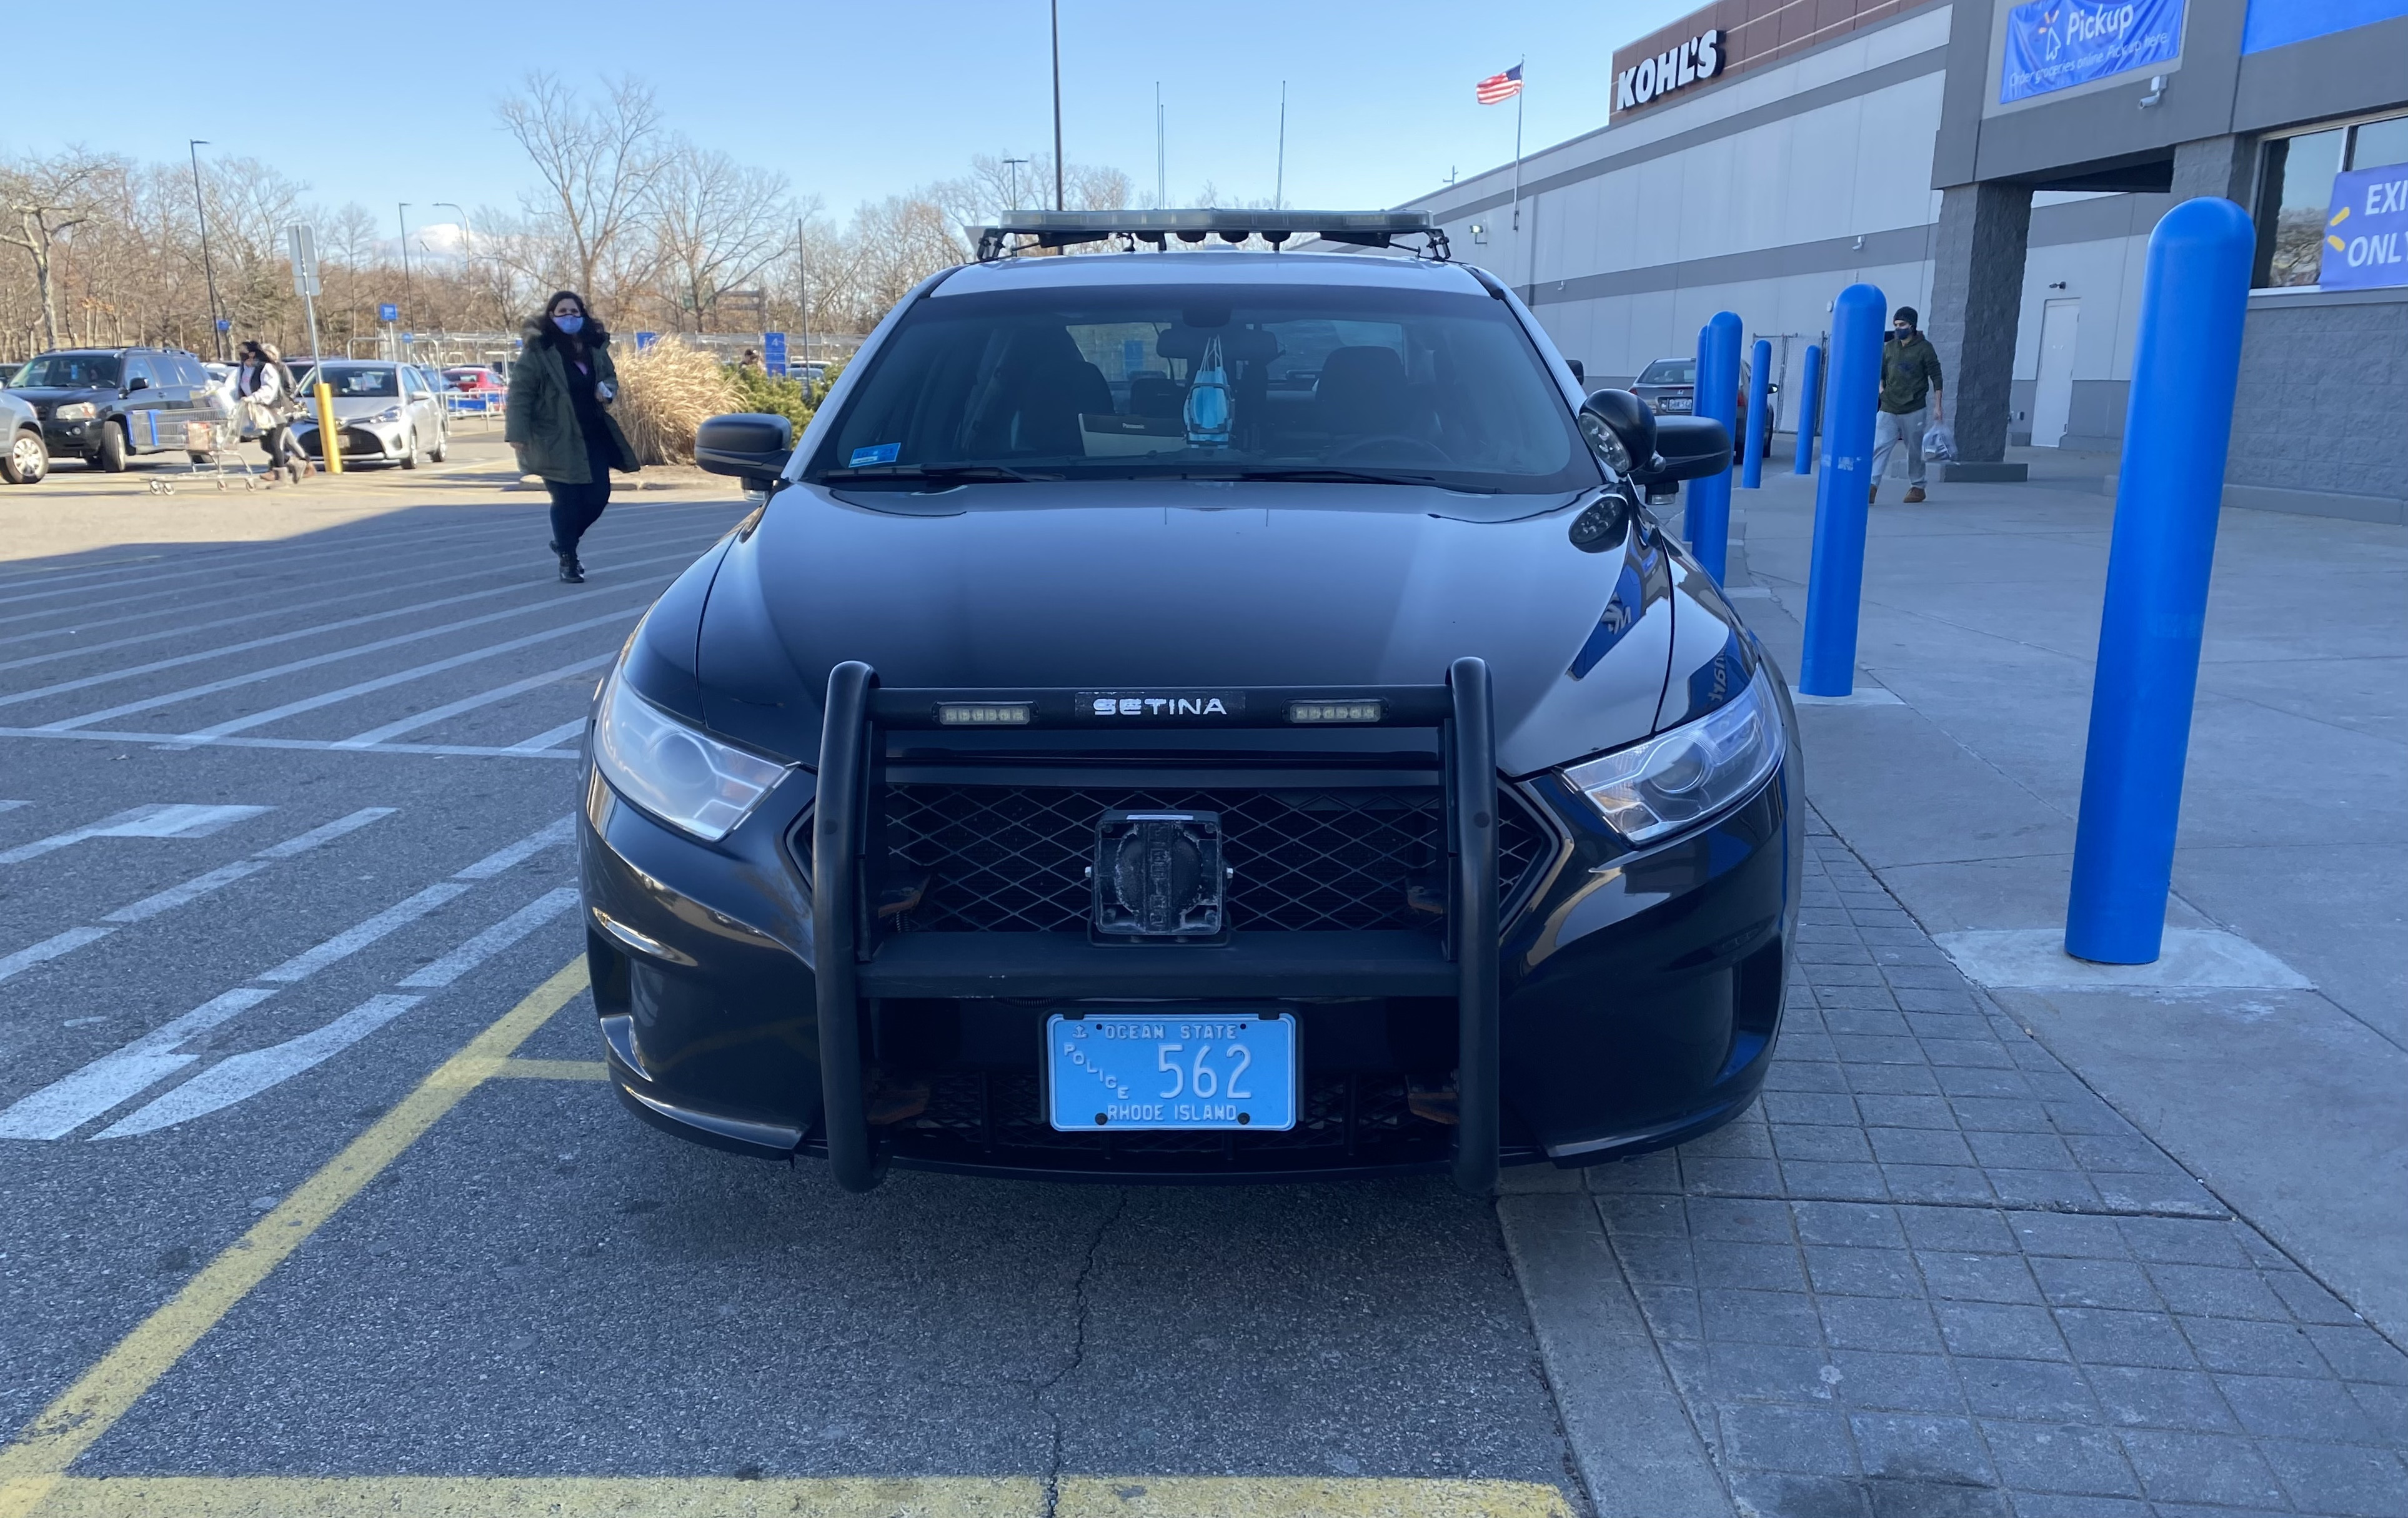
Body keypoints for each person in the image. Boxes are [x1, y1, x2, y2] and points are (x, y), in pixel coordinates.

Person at [505, 290, 639, 583]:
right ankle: (568, 559)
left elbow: (610, 376)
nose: (569, 317)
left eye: (575, 312)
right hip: (554, 437)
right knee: (566, 500)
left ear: (583, 315)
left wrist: (607, 388)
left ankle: (564, 542)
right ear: (551, 316)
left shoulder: (594, 347)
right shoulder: (539, 351)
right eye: (562, 312)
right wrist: (517, 433)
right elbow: (520, 394)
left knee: (598, 496)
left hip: (592, 432)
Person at [1873, 305, 1943, 505]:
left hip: (1914, 408)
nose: (1898, 328)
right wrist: (1882, 391)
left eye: (1902, 324)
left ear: (1912, 325)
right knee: (1879, 446)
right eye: (1896, 325)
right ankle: (1872, 485)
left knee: (1913, 450)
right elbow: (1881, 371)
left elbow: (1936, 376)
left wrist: (1938, 406)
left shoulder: (1924, 348)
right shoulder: (1890, 347)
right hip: (1888, 407)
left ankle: (1918, 487)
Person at [234, 340, 309, 484]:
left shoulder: (266, 368)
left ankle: (282, 479)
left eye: (245, 354)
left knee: (275, 443)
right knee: (266, 445)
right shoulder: (243, 369)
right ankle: (295, 463)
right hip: (260, 413)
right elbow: (239, 387)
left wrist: (253, 398)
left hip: (277, 410)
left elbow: (269, 390)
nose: (243, 358)